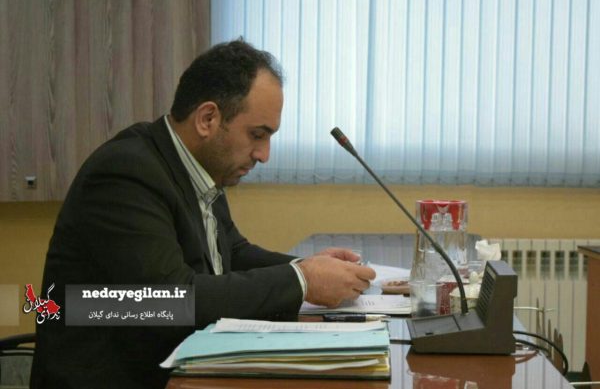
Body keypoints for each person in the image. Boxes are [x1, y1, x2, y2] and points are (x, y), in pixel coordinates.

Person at [30, 39, 375, 389]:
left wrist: (309, 267)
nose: (264, 154)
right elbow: (169, 302)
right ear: (208, 119)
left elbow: (233, 254)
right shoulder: (126, 173)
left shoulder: (201, 168)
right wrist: (302, 280)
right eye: (257, 135)